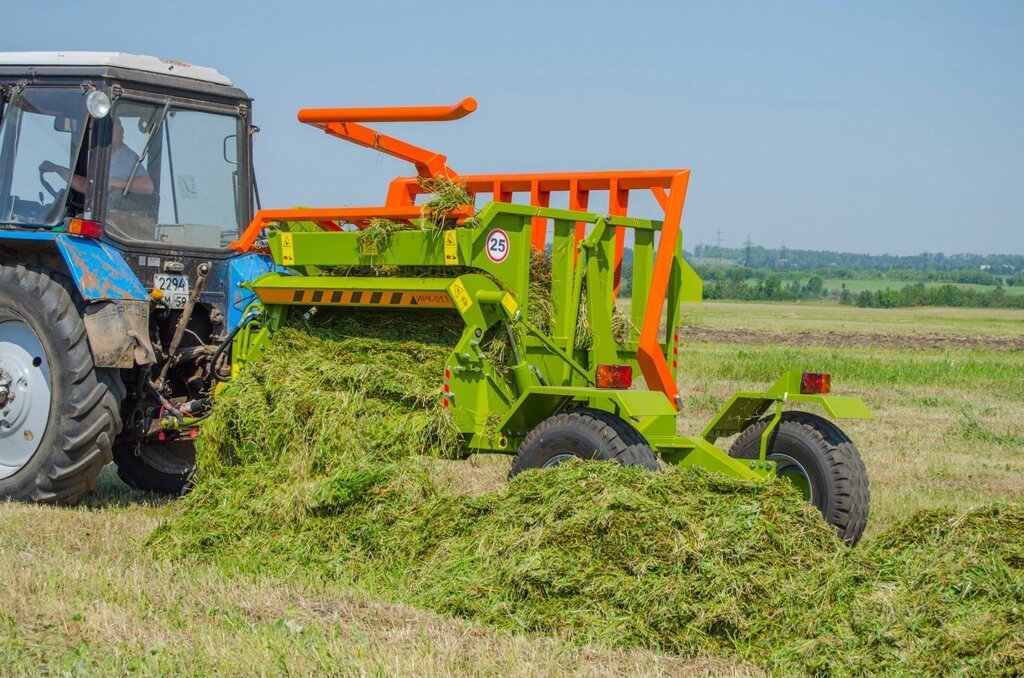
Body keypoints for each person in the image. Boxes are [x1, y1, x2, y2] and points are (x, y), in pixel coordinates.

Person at [39, 118, 154, 196]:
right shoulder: (100, 156)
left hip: (116, 219)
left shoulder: (127, 157)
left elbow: (147, 186)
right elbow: (86, 186)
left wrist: (113, 183)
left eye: (119, 131)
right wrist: (57, 169)